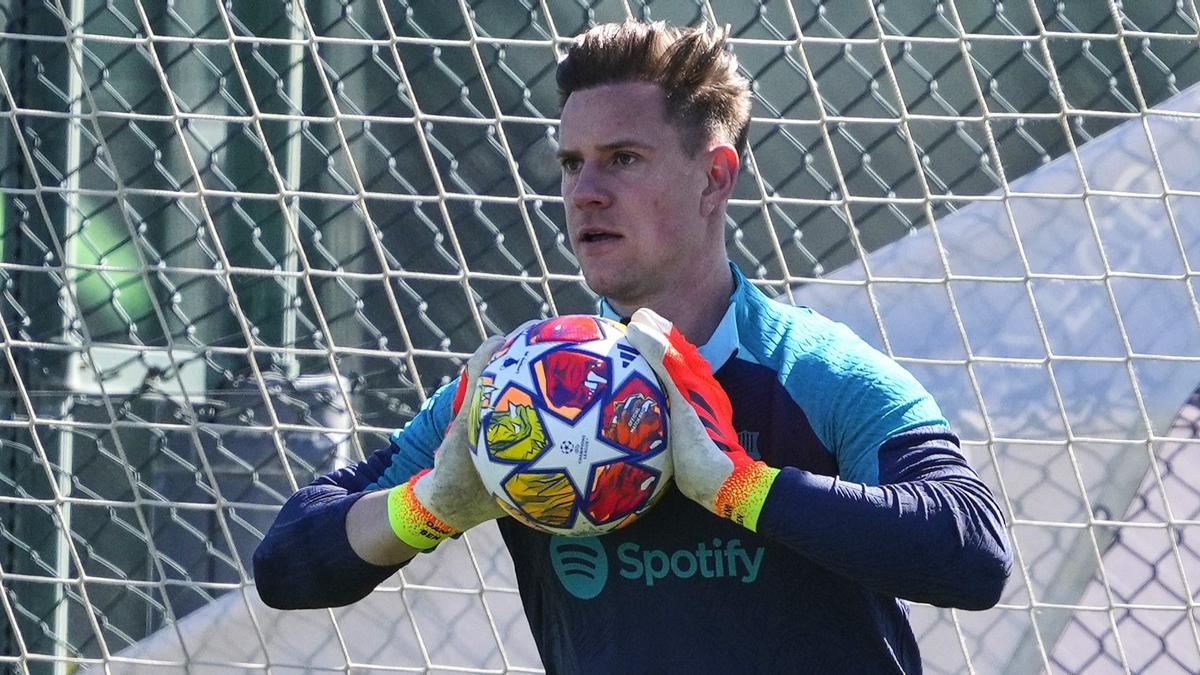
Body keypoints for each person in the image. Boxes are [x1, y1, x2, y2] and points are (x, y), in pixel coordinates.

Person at [254, 20, 1012, 673]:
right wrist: (431, 503)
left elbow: (971, 547)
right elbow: (287, 560)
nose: (585, 192)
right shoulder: (518, 393)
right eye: (570, 163)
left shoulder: (814, 371)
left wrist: (737, 487)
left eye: (623, 158)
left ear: (714, 177)